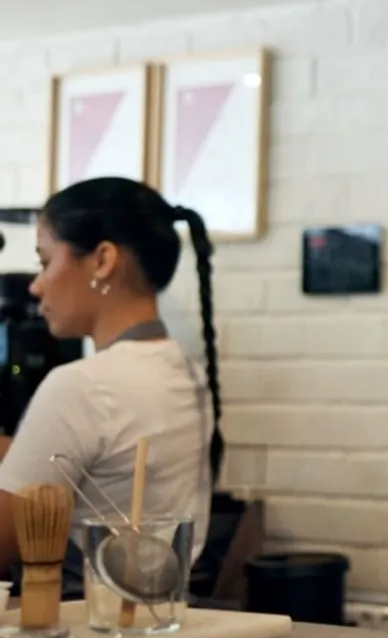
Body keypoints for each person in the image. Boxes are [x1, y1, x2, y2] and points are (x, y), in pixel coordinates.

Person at [0, 176, 223, 594]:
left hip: (84, 632)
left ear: (102, 260)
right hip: (158, 625)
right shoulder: (185, 373)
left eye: (45, 262)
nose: (35, 285)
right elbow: (98, 454)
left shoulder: (81, 386)